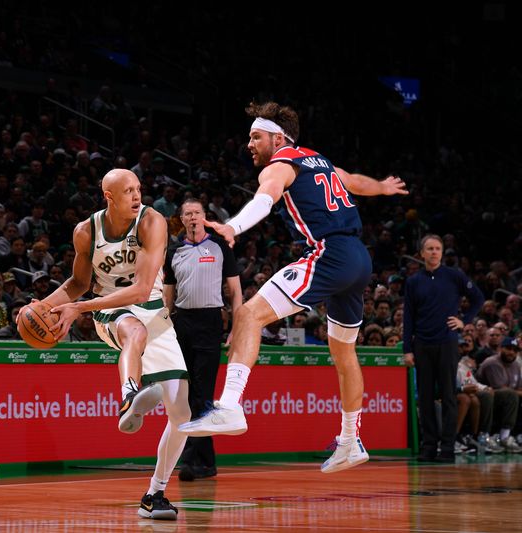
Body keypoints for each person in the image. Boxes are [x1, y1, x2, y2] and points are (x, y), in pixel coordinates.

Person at [178, 101, 408, 475]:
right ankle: (350, 440)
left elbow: (264, 199)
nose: (249, 144)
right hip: (359, 260)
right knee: (344, 355)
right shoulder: (318, 159)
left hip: (329, 254)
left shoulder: (280, 165)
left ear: (277, 137)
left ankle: (231, 405)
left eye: (255, 137)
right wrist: (381, 187)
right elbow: (353, 182)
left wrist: (233, 226)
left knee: (249, 314)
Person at [42, 169, 191, 520]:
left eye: (139, 188)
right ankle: (129, 395)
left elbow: (142, 289)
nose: (137, 196)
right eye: (128, 191)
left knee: (181, 413)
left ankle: (154, 494)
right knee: (134, 332)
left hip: (152, 307)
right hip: (111, 309)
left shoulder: (152, 222)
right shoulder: (86, 231)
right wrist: (43, 306)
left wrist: (78, 307)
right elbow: (79, 282)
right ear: (108, 196)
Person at [163, 198, 242, 482]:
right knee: (185, 395)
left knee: (203, 394)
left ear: (204, 217)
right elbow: (167, 295)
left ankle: (193, 461)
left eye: (197, 213)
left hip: (210, 322)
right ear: (181, 220)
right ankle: (205, 462)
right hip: (182, 322)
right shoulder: (174, 251)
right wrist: (164, 327)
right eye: (188, 214)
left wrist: (236, 328)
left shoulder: (220, 246)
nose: (193, 217)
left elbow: (235, 291)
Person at [402, 234, 484, 462]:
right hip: (422, 344)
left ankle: (447, 447)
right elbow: (408, 316)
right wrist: (407, 349)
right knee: (426, 398)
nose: (434, 252)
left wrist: (464, 320)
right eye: (429, 249)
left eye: (437, 248)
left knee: (449, 395)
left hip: (447, 342)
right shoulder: (413, 281)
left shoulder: (454, 275)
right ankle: (429, 447)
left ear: (441, 252)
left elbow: (477, 298)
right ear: (421, 253)